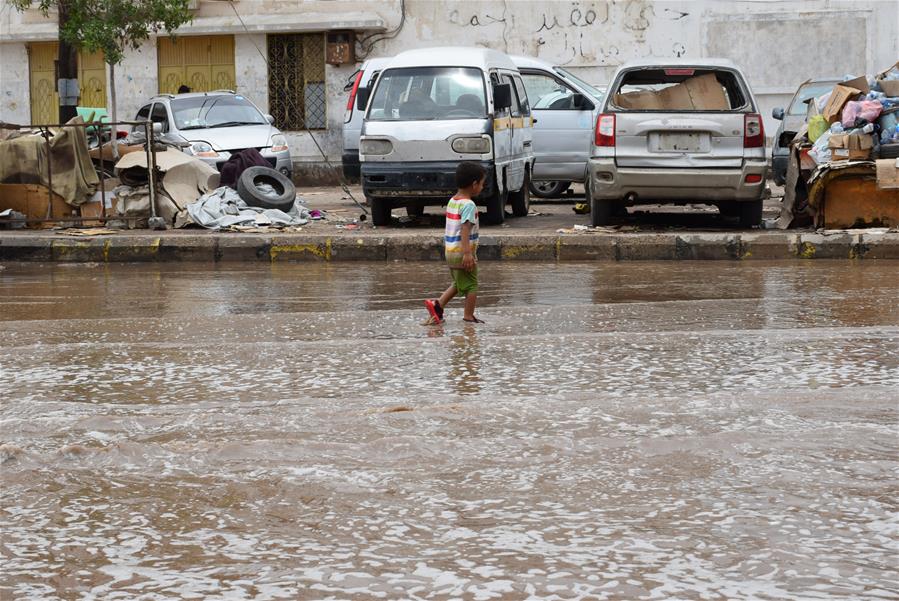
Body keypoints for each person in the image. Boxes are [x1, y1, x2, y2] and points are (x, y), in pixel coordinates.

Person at [424, 162, 486, 325]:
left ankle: (438, 305)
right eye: (482, 183)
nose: (482, 187)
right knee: (472, 284)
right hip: (462, 252)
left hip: (450, 251)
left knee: (459, 283)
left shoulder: (453, 201)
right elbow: (465, 229)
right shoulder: (468, 205)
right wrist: (467, 254)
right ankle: (468, 315)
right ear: (474, 184)